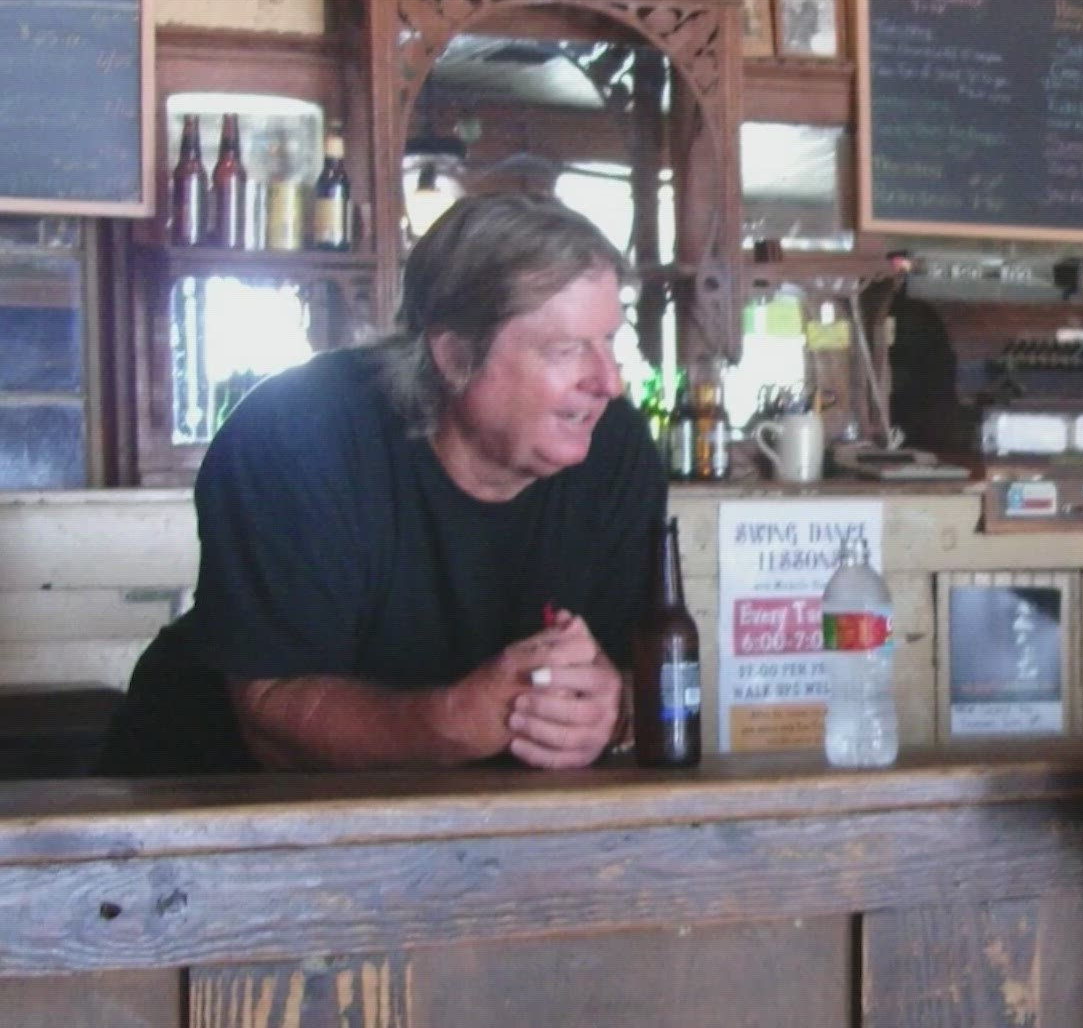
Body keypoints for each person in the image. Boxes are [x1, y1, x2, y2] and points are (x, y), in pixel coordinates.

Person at [100, 193, 665, 775]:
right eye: (567, 349)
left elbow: (640, 664)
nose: (609, 382)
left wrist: (610, 709)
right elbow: (269, 718)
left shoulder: (615, 451)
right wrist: (453, 720)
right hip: (193, 814)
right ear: (454, 356)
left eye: (610, 344)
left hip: (474, 835)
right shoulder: (300, 433)